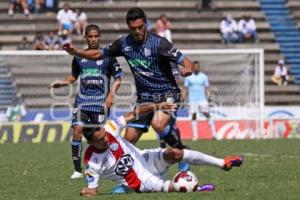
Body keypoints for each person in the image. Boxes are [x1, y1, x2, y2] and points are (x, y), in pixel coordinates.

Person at [63, 8, 193, 172]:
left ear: (145, 24)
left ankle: (182, 150)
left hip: (167, 92)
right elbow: (98, 54)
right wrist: (77, 52)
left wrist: (186, 69)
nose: (137, 31)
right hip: (144, 97)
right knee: (128, 141)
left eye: (140, 27)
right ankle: (128, 181)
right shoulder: (124, 43)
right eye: (133, 28)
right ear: (128, 27)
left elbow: (185, 61)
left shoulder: (159, 43)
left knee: (157, 123)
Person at [79, 101, 243, 197]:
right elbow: (93, 190)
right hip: (140, 182)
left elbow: (133, 113)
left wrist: (156, 106)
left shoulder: (109, 128)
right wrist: (87, 191)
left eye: (105, 136)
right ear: (91, 143)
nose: (106, 139)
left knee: (176, 152)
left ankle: (223, 163)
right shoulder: (91, 161)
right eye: (101, 141)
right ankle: (197, 187)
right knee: (174, 187)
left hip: (146, 159)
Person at [49, 24, 123, 179]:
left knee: (99, 139)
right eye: (90, 36)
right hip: (82, 102)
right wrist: (63, 82)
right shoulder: (79, 57)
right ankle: (77, 170)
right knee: (77, 130)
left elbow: (118, 79)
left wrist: (111, 96)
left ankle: (107, 163)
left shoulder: (108, 56)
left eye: (96, 36)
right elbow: (74, 76)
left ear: (100, 36)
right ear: (86, 37)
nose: (94, 39)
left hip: (100, 104)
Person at [183, 61, 216, 140]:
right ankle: (195, 136)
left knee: (207, 115)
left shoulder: (204, 77)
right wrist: (183, 99)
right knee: (193, 116)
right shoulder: (188, 77)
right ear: (192, 68)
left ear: (199, 67)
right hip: (192, 100)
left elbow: (206, 89)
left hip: (202, 99)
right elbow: (186, 90)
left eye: (197, 66)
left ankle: (214, 134)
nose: (196, 68)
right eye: (194, 67)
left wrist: (209, 98)